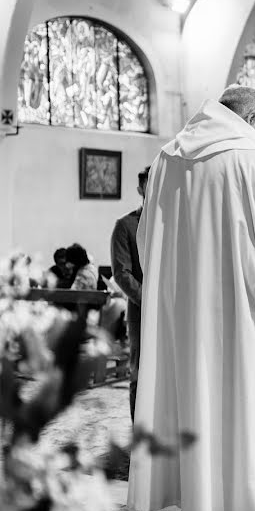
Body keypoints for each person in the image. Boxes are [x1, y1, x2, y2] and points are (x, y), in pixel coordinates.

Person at [128, 85, 255, 511]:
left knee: (197, 403)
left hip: (185, 311)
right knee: (242, 404)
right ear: (247, 115)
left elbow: (148, 236)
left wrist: (172, 291)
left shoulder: (169, 155)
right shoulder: (248, 156)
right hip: (238, 310)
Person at [111, 166, 149, 422]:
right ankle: (140, 431)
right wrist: (150, 300)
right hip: (141, 310)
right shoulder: (125, 225)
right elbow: (122, 273)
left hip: (173, 311)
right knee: (141, 371)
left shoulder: (174, 221)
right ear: (140, 189)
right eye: (150, 184)